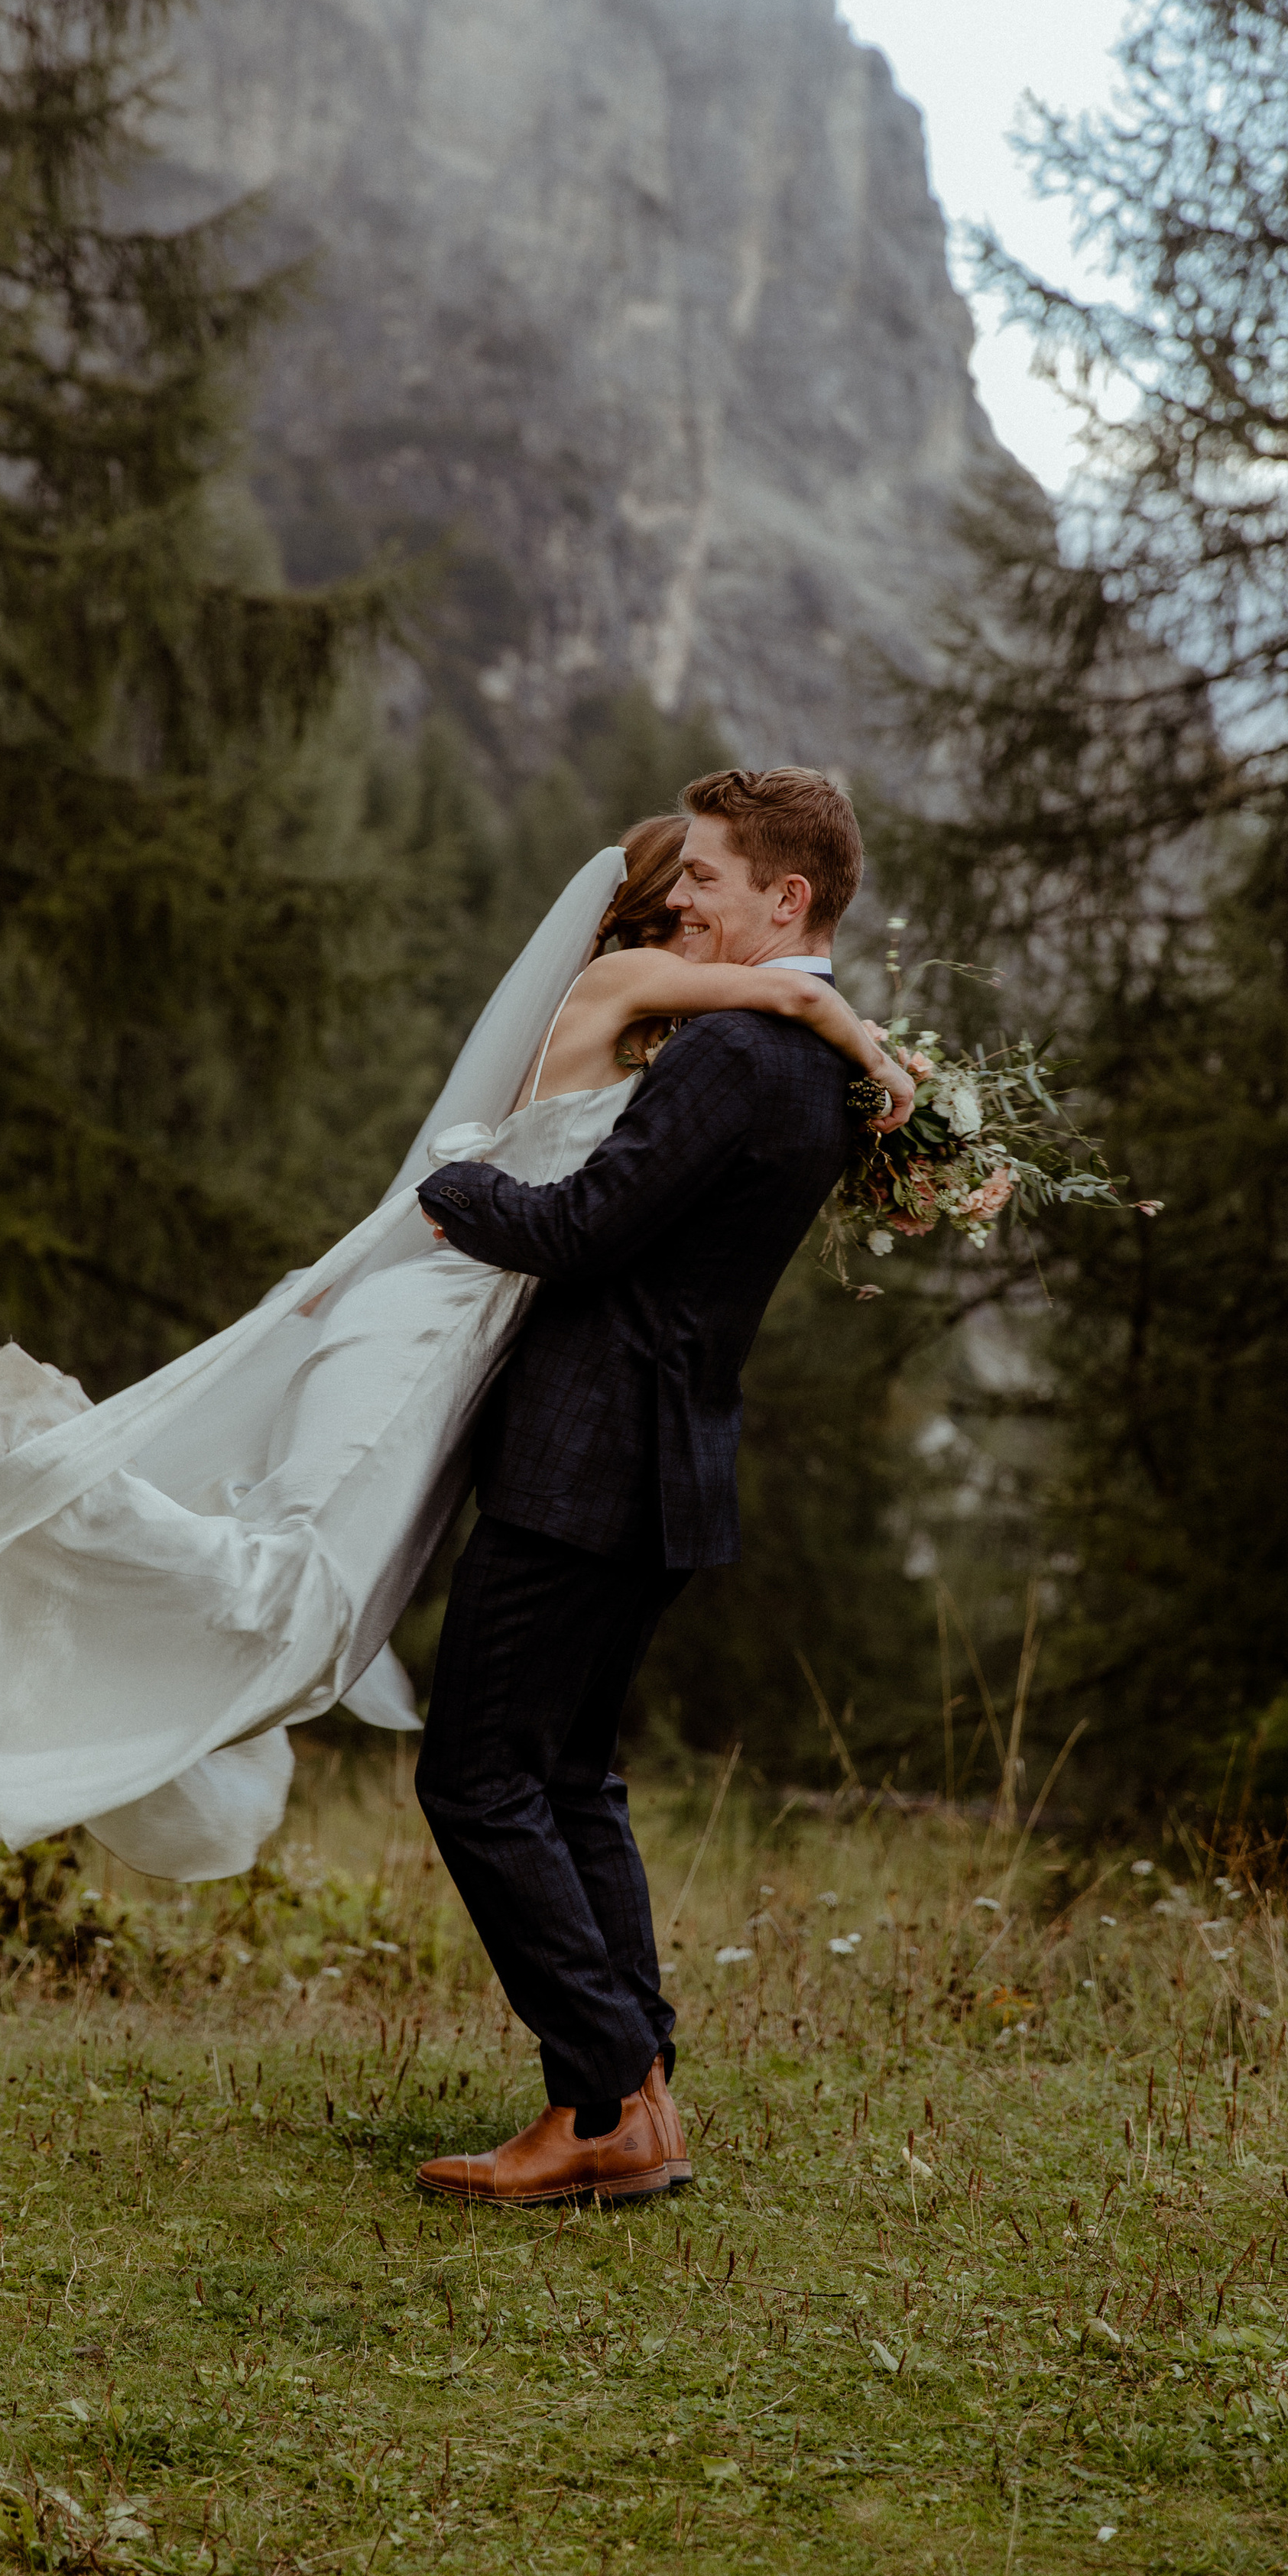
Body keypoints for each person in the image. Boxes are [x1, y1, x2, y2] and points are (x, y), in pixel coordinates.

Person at [0, 791, 909, 1917]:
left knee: (329, 1623)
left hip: (474, 1335)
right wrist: (879, 1056)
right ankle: (7, 1462)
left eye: (710, 883)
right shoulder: (625, 979)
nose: (695, 904)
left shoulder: (669, 1030)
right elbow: (799, 1000)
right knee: (296, 1594)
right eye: (684, 885)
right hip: (433, 1317)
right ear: (649, 907)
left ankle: (31, 1486)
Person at [410, 766, 868, 2210]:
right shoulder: (823, 1061)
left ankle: (605, 2098)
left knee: (477, 1777)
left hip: (587, 1455)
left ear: (786, 897)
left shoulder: (735, 1053)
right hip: (667, 1457)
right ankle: (636, 2081)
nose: (684, 896)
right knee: (569, 1775)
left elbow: (584, 1230)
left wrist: (451, 1186)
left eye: (709, 878)